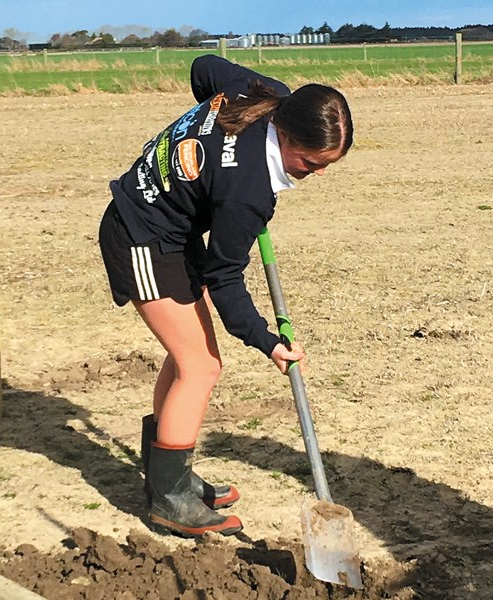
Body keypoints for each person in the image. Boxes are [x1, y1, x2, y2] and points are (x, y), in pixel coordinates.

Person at [99, 55, 353, 537]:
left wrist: (211, 144)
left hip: (172, 231)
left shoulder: (260, 91)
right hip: (142, 235)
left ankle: (167, 474)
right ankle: (169, 499)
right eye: (314, 163)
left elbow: (202, 67)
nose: (318, 174)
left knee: (187, 358)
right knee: (200, 365)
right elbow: (225, 278)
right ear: (289, 137)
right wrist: (267, 341)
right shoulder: (247, 193)